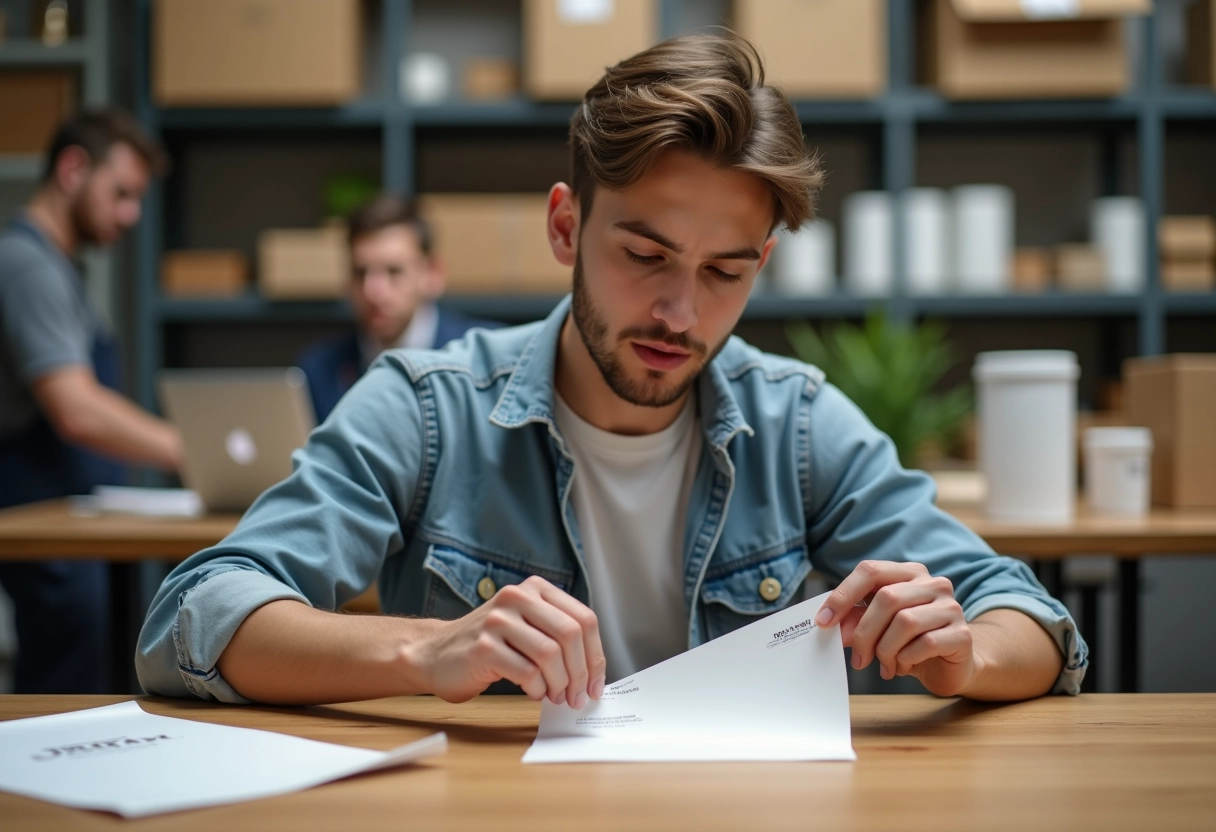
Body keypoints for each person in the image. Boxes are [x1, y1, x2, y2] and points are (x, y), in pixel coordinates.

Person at [137, 33, 1087, 707]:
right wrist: (428, 650)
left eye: (724, 272)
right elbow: (192, 616)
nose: (681, 313)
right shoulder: (428, 409)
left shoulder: (797, 423)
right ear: (566, 226)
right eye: (645, 256)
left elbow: (1033, 622)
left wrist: (960, 655)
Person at [0, 109, 181, 693]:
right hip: (43, 513)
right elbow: (76, 408)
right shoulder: (27, 266)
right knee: (63, 690)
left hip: (78, 514)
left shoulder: (61, 268)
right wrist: (185, 450)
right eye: (121, 194)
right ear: (73, 169)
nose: (130, 216)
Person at [296, 195, 497, 423]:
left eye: (394, 271)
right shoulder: (319, 369)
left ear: (433, 274)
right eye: (361, 273)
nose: (373, 291)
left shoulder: (487, 357)